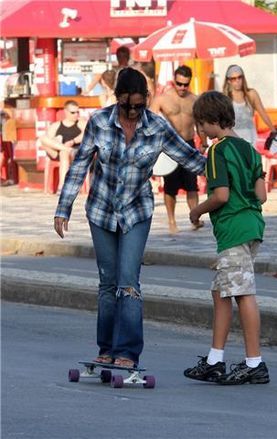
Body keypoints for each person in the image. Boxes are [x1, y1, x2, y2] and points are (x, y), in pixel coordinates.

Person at [54, 68, 206, 368]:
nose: (133, 112)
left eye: (139, 105)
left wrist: (230, 168)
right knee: (107, 283)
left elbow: (190, 158)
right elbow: (80, 164)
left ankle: (127, 352)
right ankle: (106, 348)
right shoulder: (99, 122)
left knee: (128, 282)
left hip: (137, 211)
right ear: (116, 98)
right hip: (101, 211)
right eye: (127, 105)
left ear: (146, 101)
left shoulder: (158, 127)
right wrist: (64, 207)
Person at [184, 91, 270, 385]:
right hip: (252, 226)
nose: (199, 131)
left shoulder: (217, 152)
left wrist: (197, 210)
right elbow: (262, 195)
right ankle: (214, 359)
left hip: (233, 228)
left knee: (243, 292)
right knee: (221, 291)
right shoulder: (249, 149)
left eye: (200, 125)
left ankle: (254, 362)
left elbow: (221, 195)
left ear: (210, 121)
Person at [150, 65, 208, 234]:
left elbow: (200, 124)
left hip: (189, 144)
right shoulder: (162, 99)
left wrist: (203, 143)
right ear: (173, 81)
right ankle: (172, 221)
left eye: (185, 84)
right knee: (170, 186)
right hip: (170, 146)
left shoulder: (194, 100)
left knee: (192, 185)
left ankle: (195, 218)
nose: (182, 88)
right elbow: (151, 123)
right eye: (179, 83)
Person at [223, 64, 277, 147]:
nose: (237, 81)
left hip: (250, 140)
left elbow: (263, 113)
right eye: (233, 79)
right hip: (233, 141)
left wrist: (274, 131)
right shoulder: (226, 98)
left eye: (239, 77)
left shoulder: (251, 94)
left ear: (243, 78)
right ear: (228, 81)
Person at [39, 100, 86, 192]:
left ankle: (62, 186)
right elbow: (47, 139)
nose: (76, 114)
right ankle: (66, 149)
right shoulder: (56, 125)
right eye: (73, 112)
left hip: (75, 153)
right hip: (56, 153)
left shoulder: (81, 123)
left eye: (77, 112)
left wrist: (73, 141)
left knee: (64, 153)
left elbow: (87, 134)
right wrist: (57, 140)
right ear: (66, 112)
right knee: (42, 138)